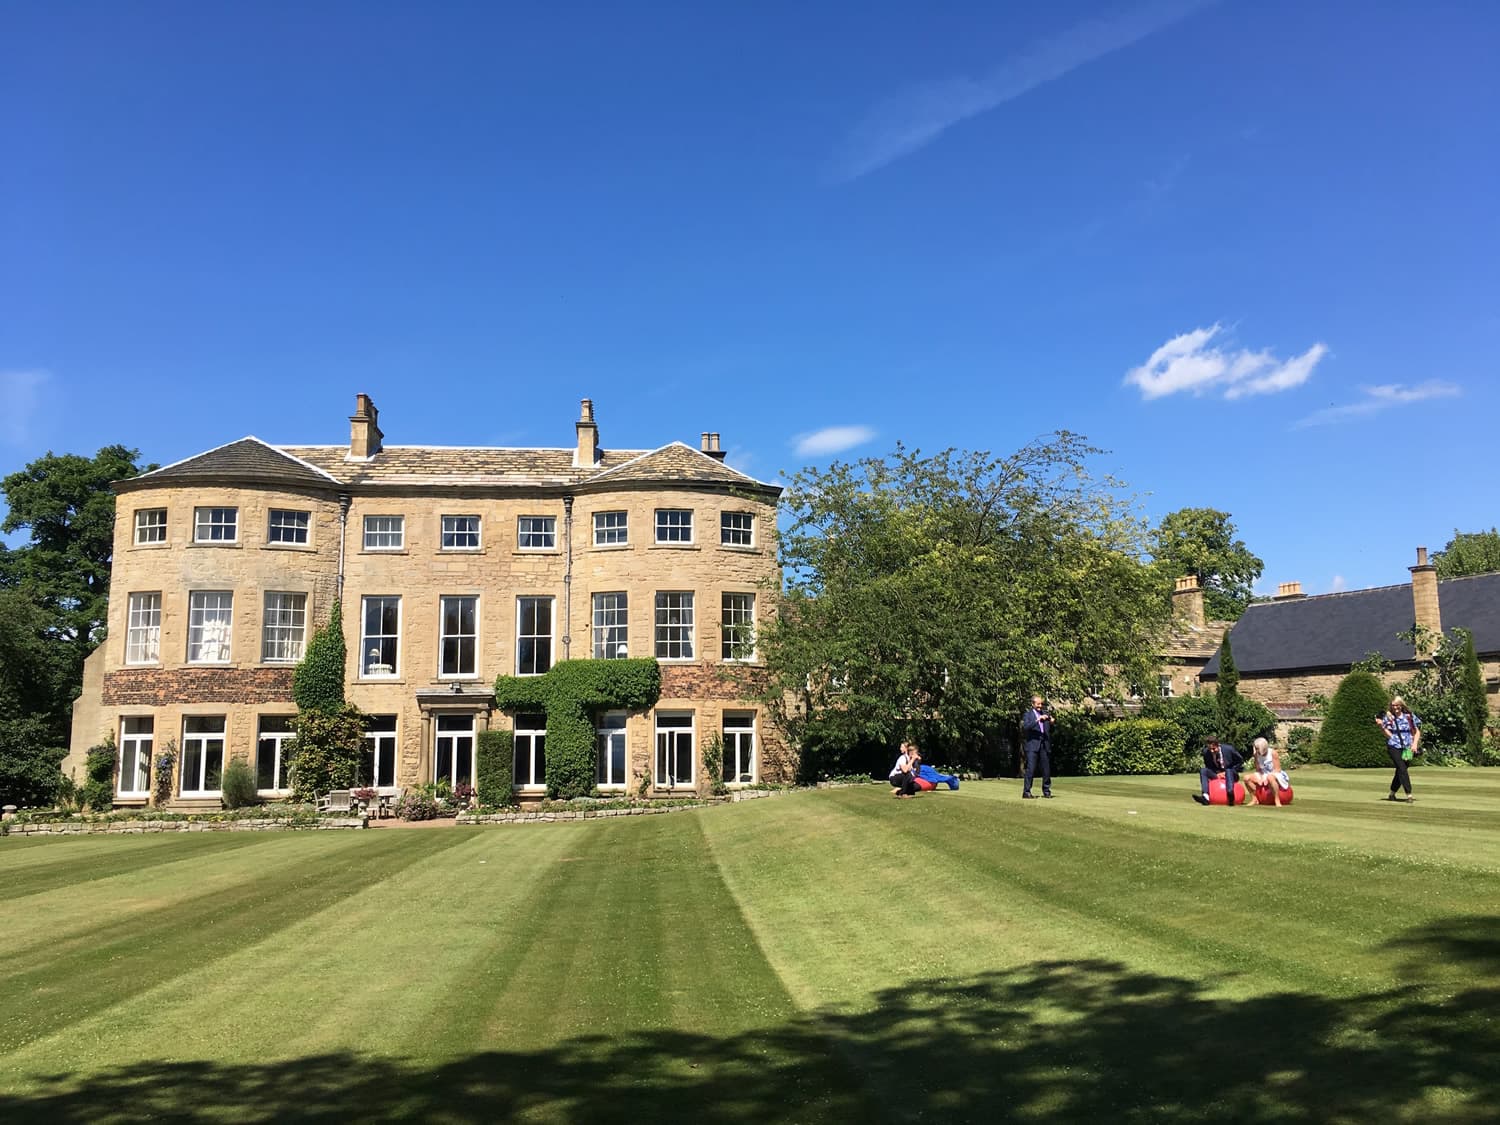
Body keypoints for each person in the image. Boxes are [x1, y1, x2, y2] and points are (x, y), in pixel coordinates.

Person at [1376, 696, 1421, 804]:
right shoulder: (1389, 718)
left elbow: (1417, 731)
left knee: (1400, 771)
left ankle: (1392, 793)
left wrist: (1414, 744)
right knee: (1402, 769)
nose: (1395, 707)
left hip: (1408, 747)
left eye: (1397, 705)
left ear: (1401, 705)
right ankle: (1409, 794)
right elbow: (1385, 730)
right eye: (1393, 705)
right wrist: (1384, 729)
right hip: (1394, 746)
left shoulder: (1409, 717)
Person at [1195, 735, 1245, 805]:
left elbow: (1240, 760)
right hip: (1217, 774)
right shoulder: (1206, 753)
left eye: (1214, 749)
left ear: (1218, 745)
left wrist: (1228, 771)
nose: (1212, 751)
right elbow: (1209, 767)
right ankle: (1205, 797)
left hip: (1231, 774)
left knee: (1228, 770)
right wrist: (1217, 774)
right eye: (1210, 749)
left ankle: (1230, 794)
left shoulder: (1229, 749)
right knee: (1203, 770)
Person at [1021, 695, 1053, 799]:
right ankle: (1026, 792)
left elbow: (1049, 728)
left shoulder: (1045, 713)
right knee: (1031, 769)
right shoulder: (1028, 715)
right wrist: (1037, 720)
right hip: (1032, 746)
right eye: (1038, 704)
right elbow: (1026, 727)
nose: (1040, 706)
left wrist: (1051, 721)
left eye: (1041, 704)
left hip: (1044, 745)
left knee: (1046, 769)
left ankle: (1046, 791)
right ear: (1033, 704)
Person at [1242, 736, 1288, 806]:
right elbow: (1258, 769)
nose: (1256, 750)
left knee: (1270, 777)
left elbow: (1277, 769)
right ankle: (1254, 799)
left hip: (1275, 773)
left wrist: (1266, 777)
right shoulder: (1256, 755)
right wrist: (1261, 777)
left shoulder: (1273, 753)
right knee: (1246, 778)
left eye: (1257, 748)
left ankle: (1277, 799)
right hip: (1263, 773)